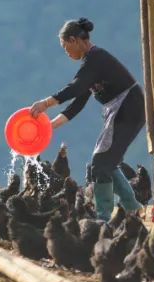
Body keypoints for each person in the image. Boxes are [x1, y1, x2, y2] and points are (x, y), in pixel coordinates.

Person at [29, 17, 145, 220]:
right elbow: (78, 102)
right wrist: (50, 125)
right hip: (124, 109)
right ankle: (133, 207)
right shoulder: (90, 64)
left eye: (66, 47)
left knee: (100, 162)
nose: (66, 52)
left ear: (74, 40)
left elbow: (75, 88)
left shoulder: (95, 58)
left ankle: (103, 218)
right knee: (106, 162)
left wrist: (45, 103)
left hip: (127, 107)